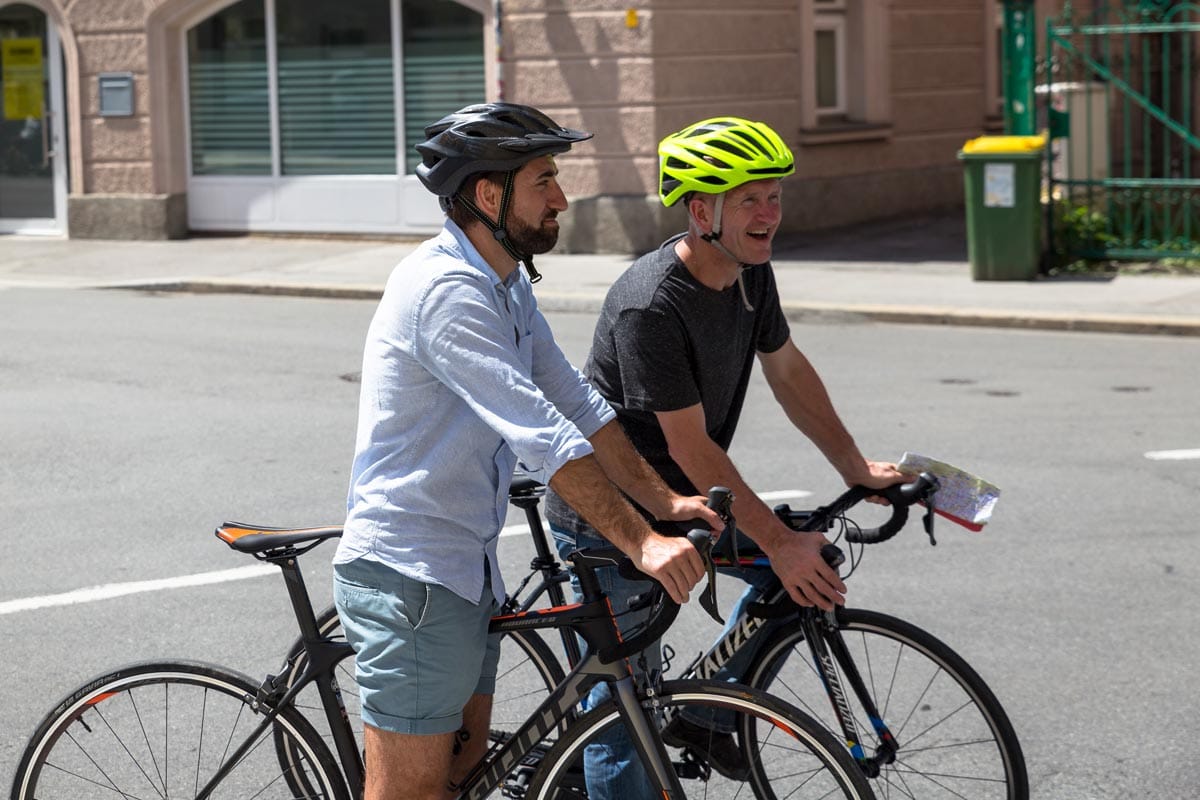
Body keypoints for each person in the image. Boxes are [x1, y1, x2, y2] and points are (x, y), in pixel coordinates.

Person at [332, 102, 723, 800]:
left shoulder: (504, 281)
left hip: (464, 568)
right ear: (490, 194)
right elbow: (542, 434)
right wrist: (641, 544)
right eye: (544, 180)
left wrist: (664, 501)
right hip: (413, 574)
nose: (562, 199)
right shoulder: (446, 291)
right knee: (411, 792)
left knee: (461, 773)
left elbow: (578, 404)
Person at [544, 116, 909, 795]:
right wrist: (777, 540)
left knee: (805, 564)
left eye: (774, 195)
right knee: (625, 716)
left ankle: (710, 717)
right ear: (701, 208)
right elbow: (689, 443)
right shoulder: (650, 305)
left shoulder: (748, 274)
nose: (770, 213)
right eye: (750, 198)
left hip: (693, 500)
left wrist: (853, 469)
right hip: (615, 516)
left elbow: (790, 372)